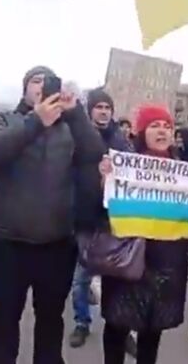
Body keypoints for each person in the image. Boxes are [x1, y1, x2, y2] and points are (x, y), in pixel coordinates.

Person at [0, 66, 106, 364]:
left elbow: (94, 152)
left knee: (50, 322)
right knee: (4, 321)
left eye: (48, 82)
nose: (41, 86)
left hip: (56, 246)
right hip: (9, 243)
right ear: (25, 88)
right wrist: (36, 120)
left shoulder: (70, 128)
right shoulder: (6, 120)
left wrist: (76, 114)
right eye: (35, 81)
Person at [98, 105, 188, 364]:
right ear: (142, 132)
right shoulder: (123, 165)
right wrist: (105, 181)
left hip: (167, 267)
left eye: (167, 126)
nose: (162, 131)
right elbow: (102, 209)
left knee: (151, 335)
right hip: (128, 260)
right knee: (117, 327)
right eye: (155, 126)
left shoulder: (187, 173)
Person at [69, 88, 135, 350]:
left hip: (113, 221)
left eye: (108, 108)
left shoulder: (122, 142)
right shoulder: (77, 137)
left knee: (118, 280)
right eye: (99, 107)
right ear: (90, 111)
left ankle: (121, 328)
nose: (104, 112)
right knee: (80, 279)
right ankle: (81, 322)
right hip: (85, 220)